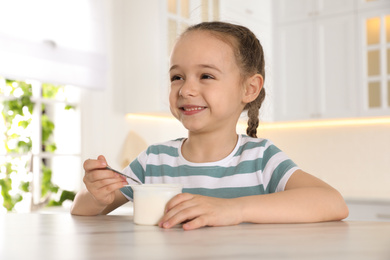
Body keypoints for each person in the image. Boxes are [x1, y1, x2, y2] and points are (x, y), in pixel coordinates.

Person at [71, 21, 349, 230]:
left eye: (205, 75)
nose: (186, 89)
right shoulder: (154, 160)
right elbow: (82, 210)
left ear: (249, 88)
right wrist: (97, 196)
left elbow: (332, 202)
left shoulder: (261, 159)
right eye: (177, 77)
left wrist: (234, 210)